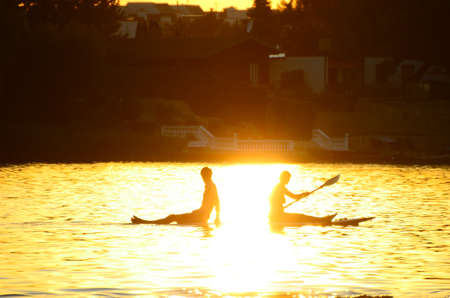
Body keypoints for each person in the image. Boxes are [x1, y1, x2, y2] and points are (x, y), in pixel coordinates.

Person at [131, 167, 221, 225]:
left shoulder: (210, 187)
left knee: (172, 217)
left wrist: (217, 217)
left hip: (200, 217)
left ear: (206, 175)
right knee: (172, 217)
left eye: (203, 176)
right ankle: (145, 222)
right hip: (199, 215)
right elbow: (211, 204)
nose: (202, 178)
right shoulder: (210, 186)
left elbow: (216, 202)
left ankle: (145, 222)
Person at [269, 171, 336, 225]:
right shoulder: (280, 187)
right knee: (301, 216)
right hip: (278, 216)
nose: (288, 180)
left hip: (276, 215)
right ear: (283, 178)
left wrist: (303, 194)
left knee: (301, 216)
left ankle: (320, 219)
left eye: (289, 179)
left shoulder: (278, 187)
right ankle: (321, 220)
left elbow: (274, 201)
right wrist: (304, 194)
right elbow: (294, 197)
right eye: (288, 178)